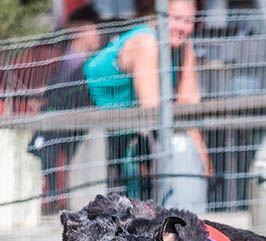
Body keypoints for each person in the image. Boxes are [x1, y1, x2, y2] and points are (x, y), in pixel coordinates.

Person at [84, 0, 211, 205]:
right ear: (159, 15)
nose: (183, 27)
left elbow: (189, 105)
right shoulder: (146, 41)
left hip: (131, 127)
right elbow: (152, 110)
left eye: (189, 21)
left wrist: (202, 158)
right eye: (176, 19)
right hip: (88, 115)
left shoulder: (183, 46)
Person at [28, 4, 102, 214]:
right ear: (82, 31)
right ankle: (52, 200)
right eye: (95, 30)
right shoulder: (72, 62)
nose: (99, 36)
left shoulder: (77, 61)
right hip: (57, 123)